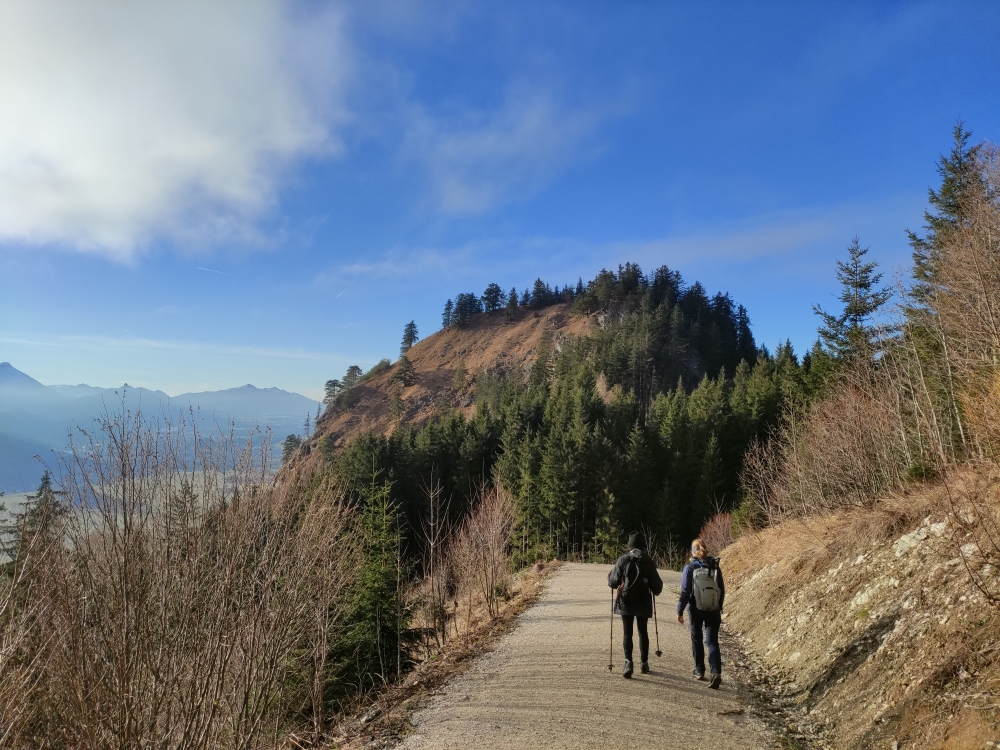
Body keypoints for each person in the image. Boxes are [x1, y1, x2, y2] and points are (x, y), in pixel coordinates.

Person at [607, 530, 663, 678]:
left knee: (627, 633)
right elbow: (657, 587)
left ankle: (628, 663)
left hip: (626, 601)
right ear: (643, 545)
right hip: (643, 601)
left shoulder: (623, 559)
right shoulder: (647, 560)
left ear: (630, 545)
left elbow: (613, 582)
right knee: (643, 632)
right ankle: (644, 664)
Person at [677, 538, 725, 689]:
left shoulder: (690, 567)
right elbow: (721, 589)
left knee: (697, 638)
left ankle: (699, 670)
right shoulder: (715, 566)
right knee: (712, 641)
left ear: (692, 551)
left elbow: (685, 592)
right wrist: (719, 606)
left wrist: (679, 610)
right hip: (713, 608)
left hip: (696, 608)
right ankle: (716, 672)